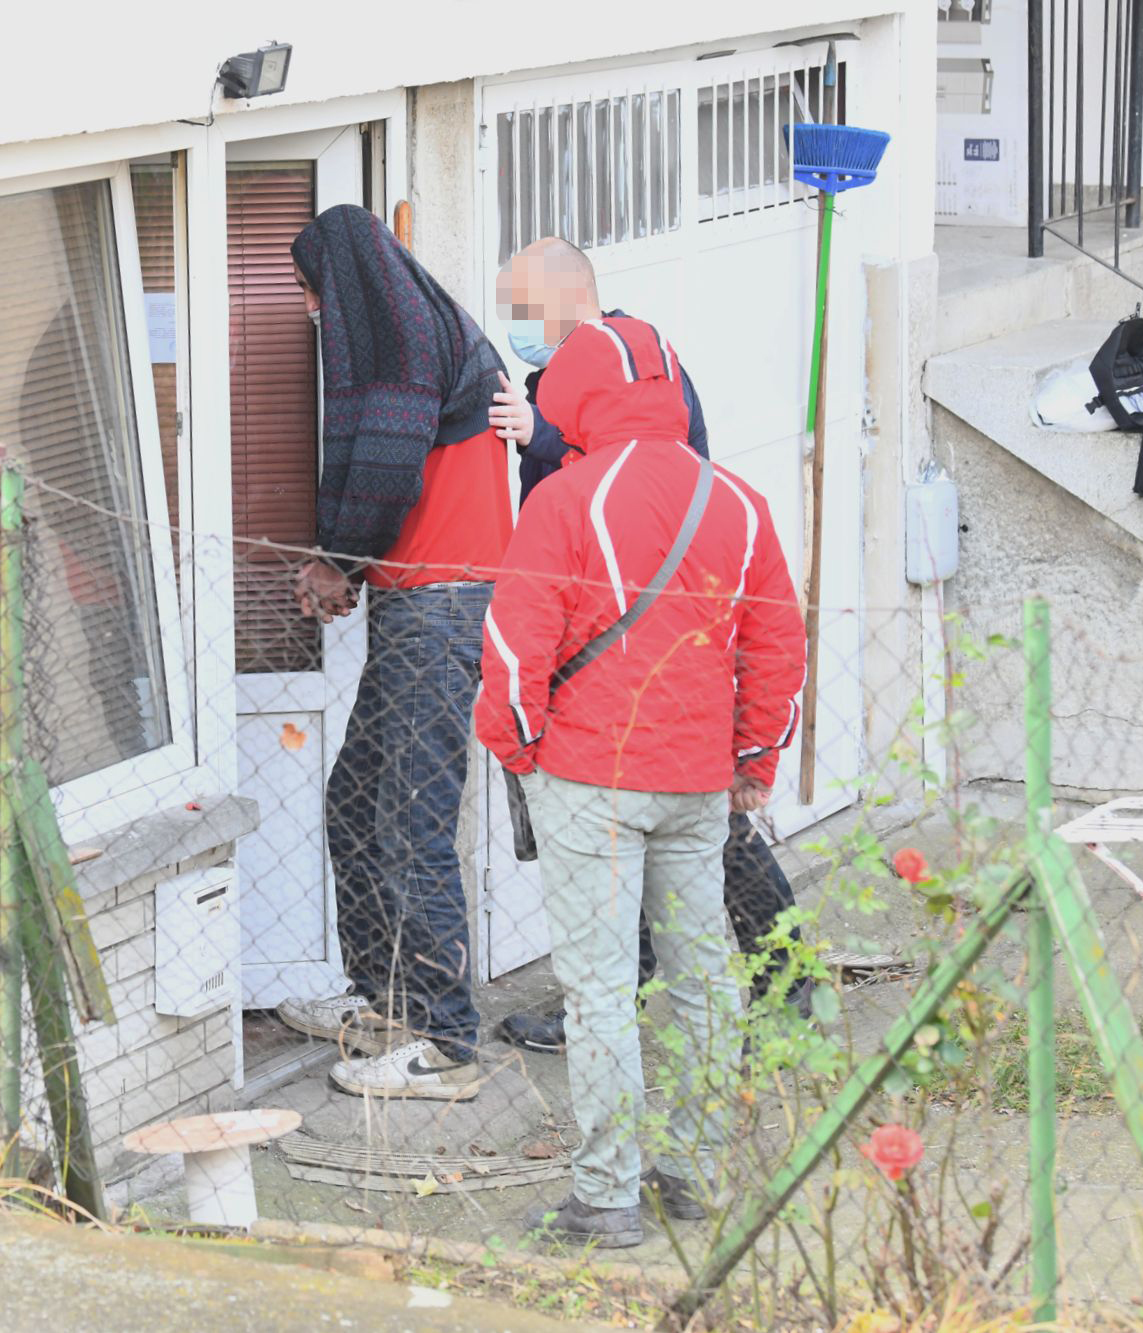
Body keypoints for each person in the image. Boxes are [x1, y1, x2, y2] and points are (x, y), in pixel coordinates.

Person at [476, 239, 806, 1247]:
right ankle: (693, 1169)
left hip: (588, 776)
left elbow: (511, 643)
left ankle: (606, 1194)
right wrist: (752, 762)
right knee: (703, 976)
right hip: (697, 780)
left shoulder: (564, 500)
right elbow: (777, 645)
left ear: (577, 393)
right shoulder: (736, 501)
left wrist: (518, 747)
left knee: (600, 990)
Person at [273, 204, 512, 1101]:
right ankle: (388, 998)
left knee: (410, 820)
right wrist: (345, 563)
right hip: (422, 603)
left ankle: (447, 1042)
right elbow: (388, 466)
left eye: (309, 291)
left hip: (442, 610)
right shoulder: (429, 337)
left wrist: (337, 559)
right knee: (357, 800)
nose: (308, 311)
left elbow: (385, 466)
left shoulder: (410, 352)